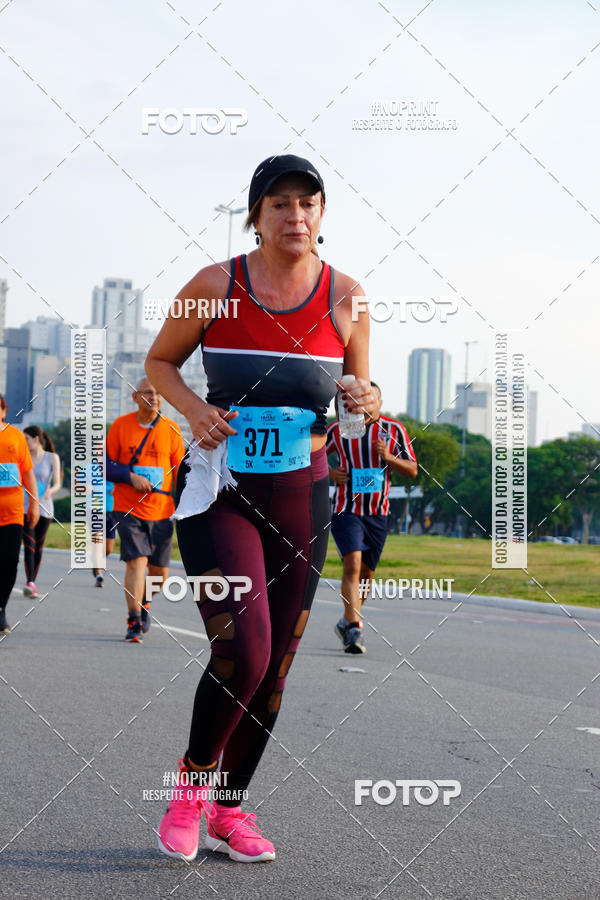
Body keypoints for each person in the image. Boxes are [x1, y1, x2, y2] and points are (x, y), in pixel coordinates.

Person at [145, 154, 378, 864]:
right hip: (220, 492)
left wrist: (366, 400)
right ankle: (189, 788)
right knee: (242, 651)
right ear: (256, 214)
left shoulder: (348, 297)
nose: (295, 216)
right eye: (279, 204)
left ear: (322, 216)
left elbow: (359, 394)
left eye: (308, 204)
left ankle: (229, 812)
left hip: (303, 494)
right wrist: (193, 410)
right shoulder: (215, 284)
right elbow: (160, 363)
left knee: (276, 664)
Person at [327, 383, 417, 653]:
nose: (362, 405)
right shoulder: (338, 429)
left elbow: (412, 469)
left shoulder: (393, 429)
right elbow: (312, 456)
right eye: (354, 401)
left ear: (378, 402)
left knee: (366, 573)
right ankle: (355, 628)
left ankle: (347, 620)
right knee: (352, 565)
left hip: (377, 512)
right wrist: (331, 473)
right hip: (346, 508)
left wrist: (389, 457)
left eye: (369, 400)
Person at [106, 378, 185, 642]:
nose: (154, 397)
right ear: (134, 396)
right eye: (148, 393)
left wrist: (188, 507)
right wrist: (130, 477)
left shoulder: (172, 430)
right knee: (136, 562)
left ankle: (144, 601)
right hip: (128, 507)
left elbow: (182, 473)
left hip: (162, 510)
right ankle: (134, 621)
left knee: (160, 572)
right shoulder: (120, 426)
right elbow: (105, 464)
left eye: (158, 393)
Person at [0, 395, 39, 634]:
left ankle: (1, 608)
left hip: (13, 512)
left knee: (9, 562)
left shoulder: (15, 436)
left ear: (3, 410)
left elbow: (27, 473)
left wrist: (34, 503)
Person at [22, 426, 62, 599]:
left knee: (38, 546)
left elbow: (58, 483)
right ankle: (30, 582)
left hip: (45, 508)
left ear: (36, 439)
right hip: (25, 506)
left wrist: (50, 491)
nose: (24, 442)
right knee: (29, 545)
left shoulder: (52, 458)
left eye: (27, 439)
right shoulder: (23, 457)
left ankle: (33, 581)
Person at [92, 478, 117, 588]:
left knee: (108, 549)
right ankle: (99, 574)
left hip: (112, 512)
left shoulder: (115, 469)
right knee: (98, 544)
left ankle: (96, 563)